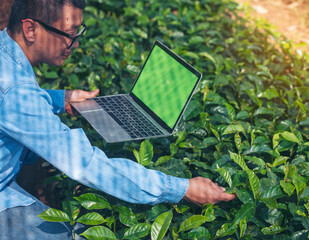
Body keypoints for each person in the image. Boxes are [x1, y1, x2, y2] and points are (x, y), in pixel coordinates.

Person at [0, 0, 235, 239]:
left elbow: (13, 100)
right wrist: (181, 188)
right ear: (30, 29)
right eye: (70, 35)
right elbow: (86, 164)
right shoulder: (16, 91)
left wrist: (59, 99)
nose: (76, 43)